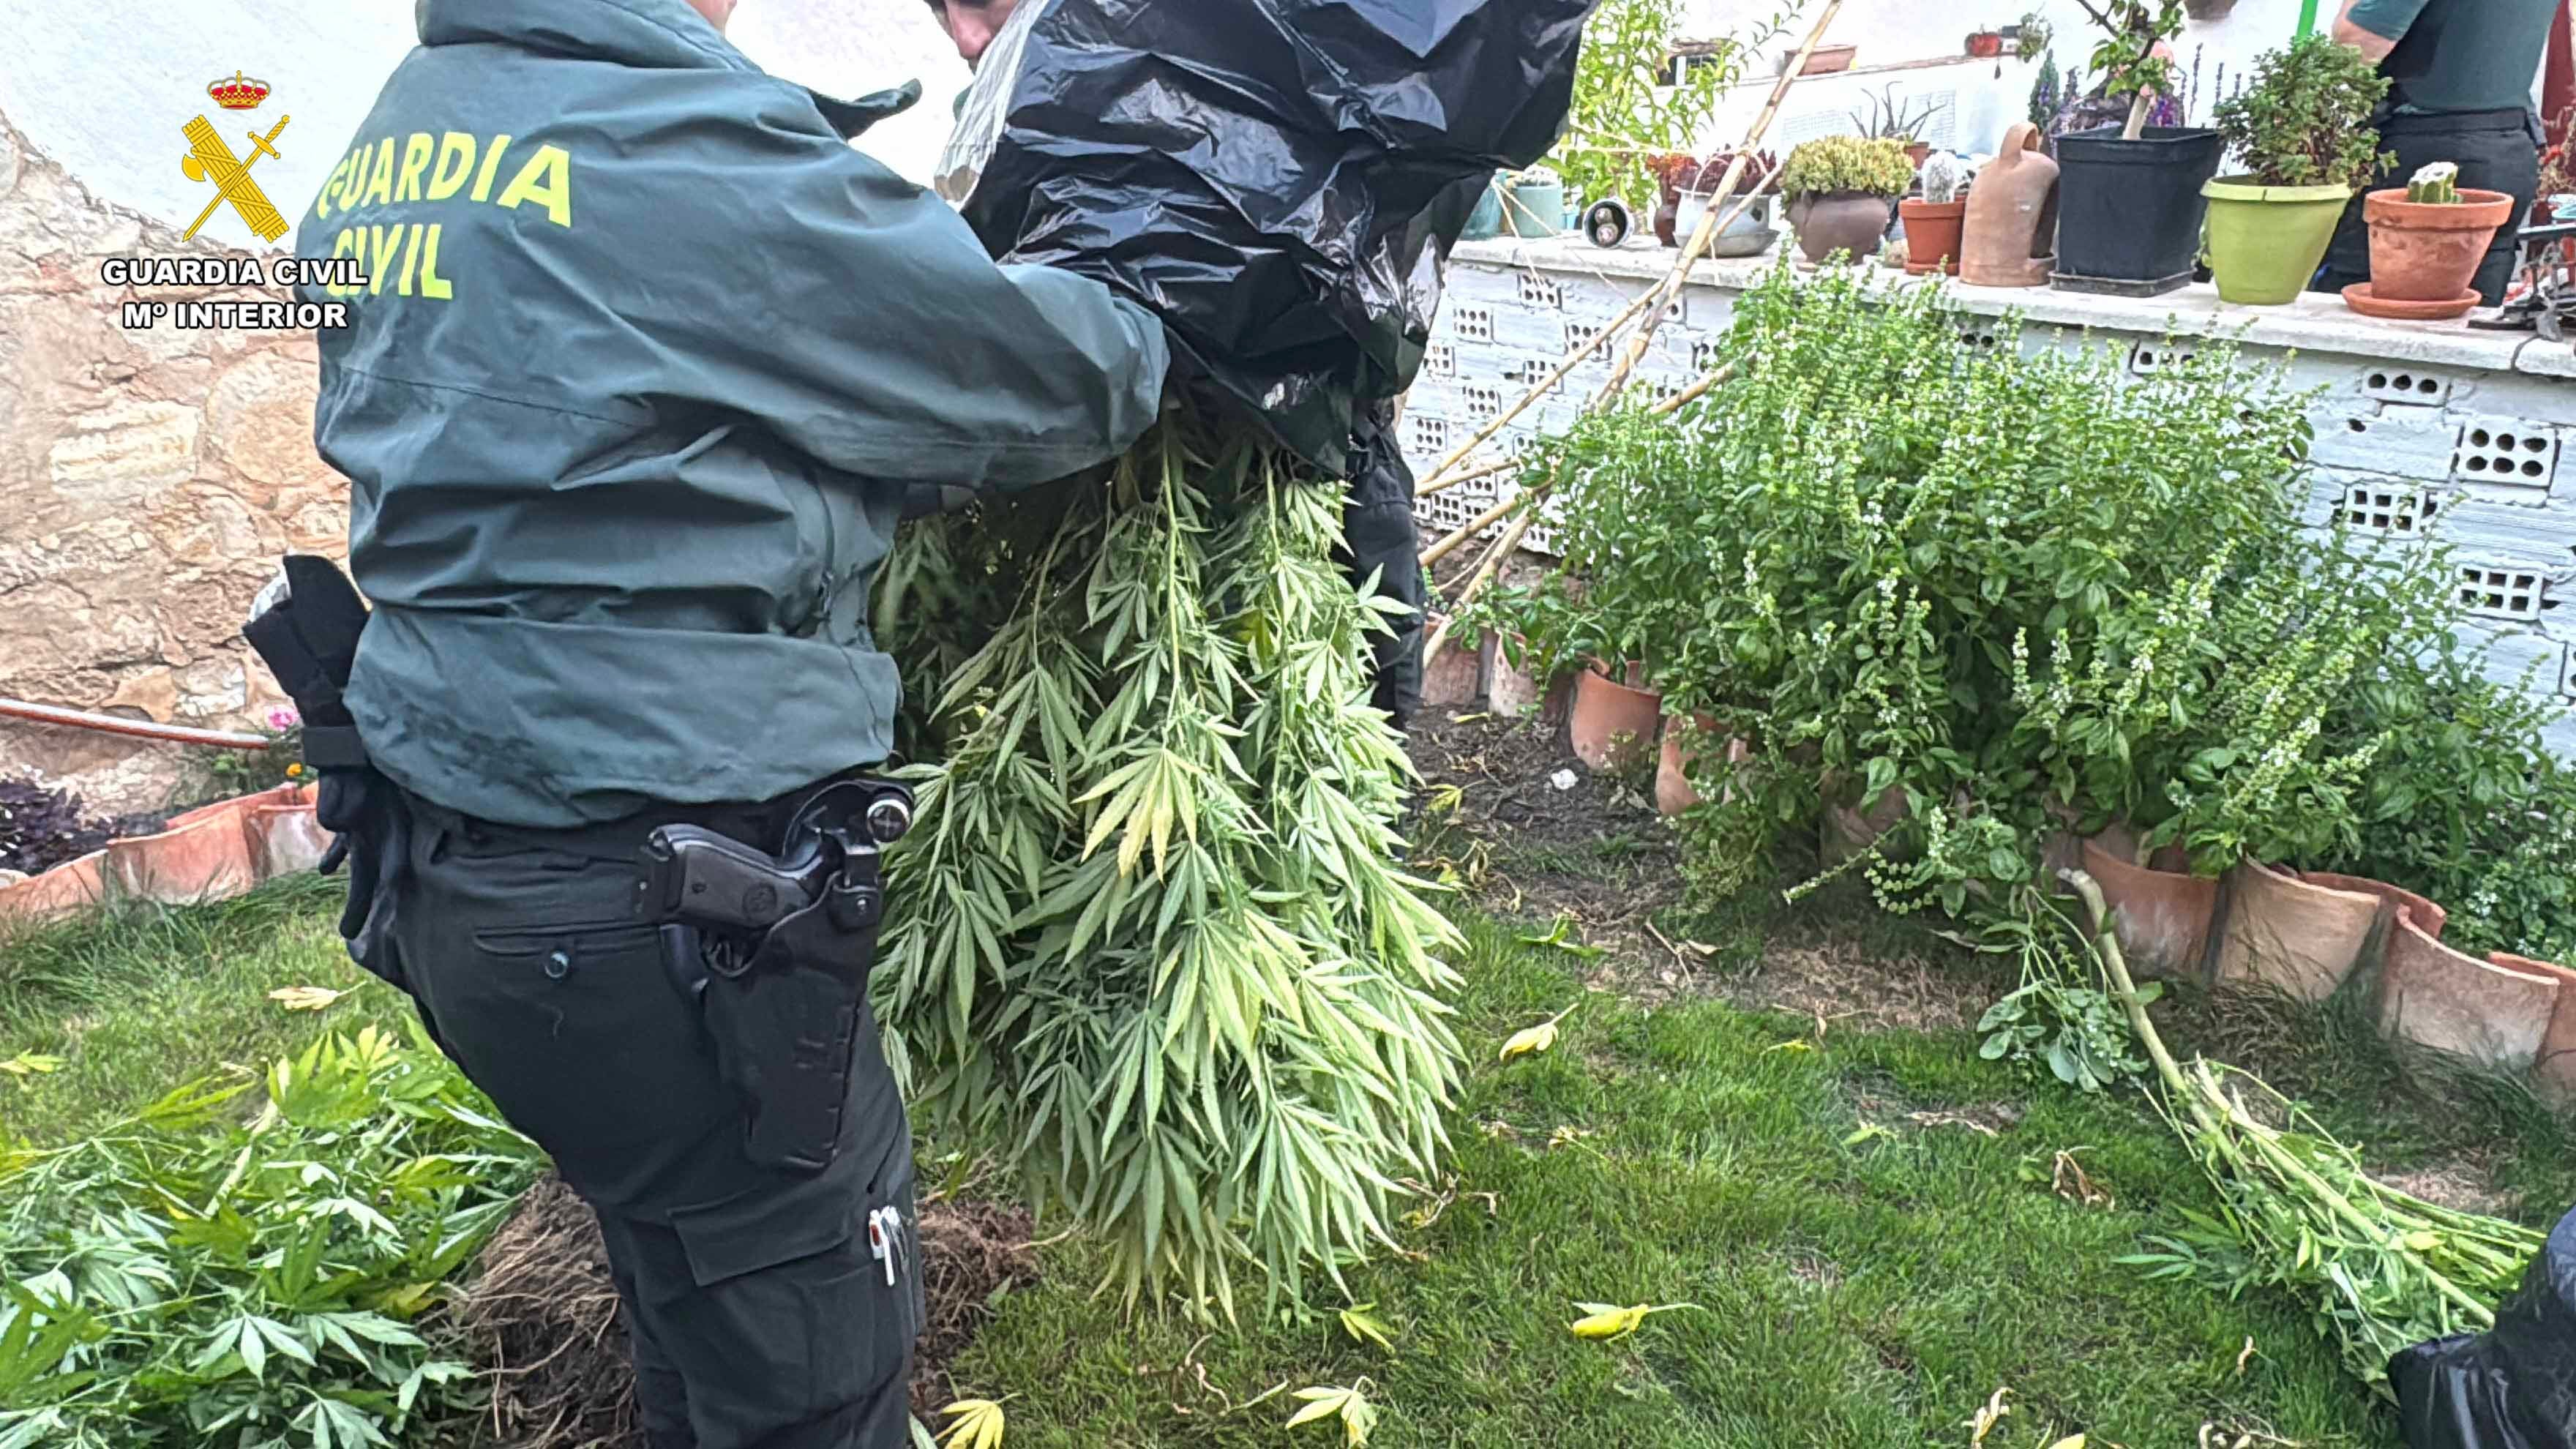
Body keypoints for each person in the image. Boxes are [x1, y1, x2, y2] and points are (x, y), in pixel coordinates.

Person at [281, 0, 1168, 1445]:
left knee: (684, 1263)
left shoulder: (412, 129)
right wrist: (1148, 272)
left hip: (460, 871)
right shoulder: (678, 150)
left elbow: (599, 406)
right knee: (812, 1354)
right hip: (663, 915)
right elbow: (1064, 376)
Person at [921, 0, 1431, 724]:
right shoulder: (997, 128)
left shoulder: (1224, 59)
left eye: (976, 2)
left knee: (1311, 731)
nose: (964, 36)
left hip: (1294, 493)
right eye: (939, 12)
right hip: (1092, 544)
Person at [2317, 0, 2556, 306]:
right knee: (2469, 328)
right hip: (2507, 150)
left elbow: (2358, 46)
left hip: (2420, 150)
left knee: (2355, 325)